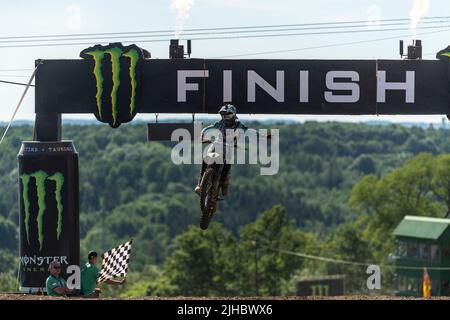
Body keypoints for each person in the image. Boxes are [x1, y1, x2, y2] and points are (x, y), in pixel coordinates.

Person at [194, 103, 249, 197]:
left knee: (227, 165)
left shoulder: (239, 125)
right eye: (224, 115)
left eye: (228, 115)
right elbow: (207, 128)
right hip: (217, 144)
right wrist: (202, 135)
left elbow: (250, 132)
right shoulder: (220, 123)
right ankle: (199, 184)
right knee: (206, 158)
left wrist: (263, 136)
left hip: (228, 147)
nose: (226, 117)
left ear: (234, 114)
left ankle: (224, 184)